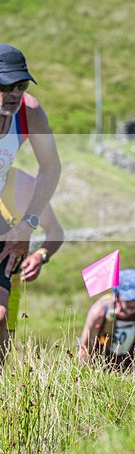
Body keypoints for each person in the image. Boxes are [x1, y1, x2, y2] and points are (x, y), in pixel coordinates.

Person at [0, 44, 61, 365]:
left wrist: (28, 223)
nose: (13, 93)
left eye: (20, 85)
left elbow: (51, 167)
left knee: (0, 318)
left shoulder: (28, 111)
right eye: (4, 85)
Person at [3, 167, 65, 337]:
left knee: (3, 351)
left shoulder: (25, 184)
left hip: (9, 280)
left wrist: (41, 255)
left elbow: (55, 231)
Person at [77, 269, 135, 372]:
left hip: (128, 365)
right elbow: (85, 347)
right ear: (117, 295)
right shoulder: (100, 311)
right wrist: (84, 374)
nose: (133, 304)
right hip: (98, 365)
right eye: (128, 299)